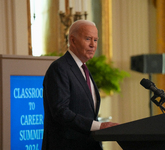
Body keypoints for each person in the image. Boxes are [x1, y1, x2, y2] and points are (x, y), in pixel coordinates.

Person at [42, 20, 119, 150]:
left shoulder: (84, 69)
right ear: (73, 40)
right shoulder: (60, 68)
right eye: (88, 39)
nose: (92, 45)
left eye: (95, 40)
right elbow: (61, 112)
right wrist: (98, 126)